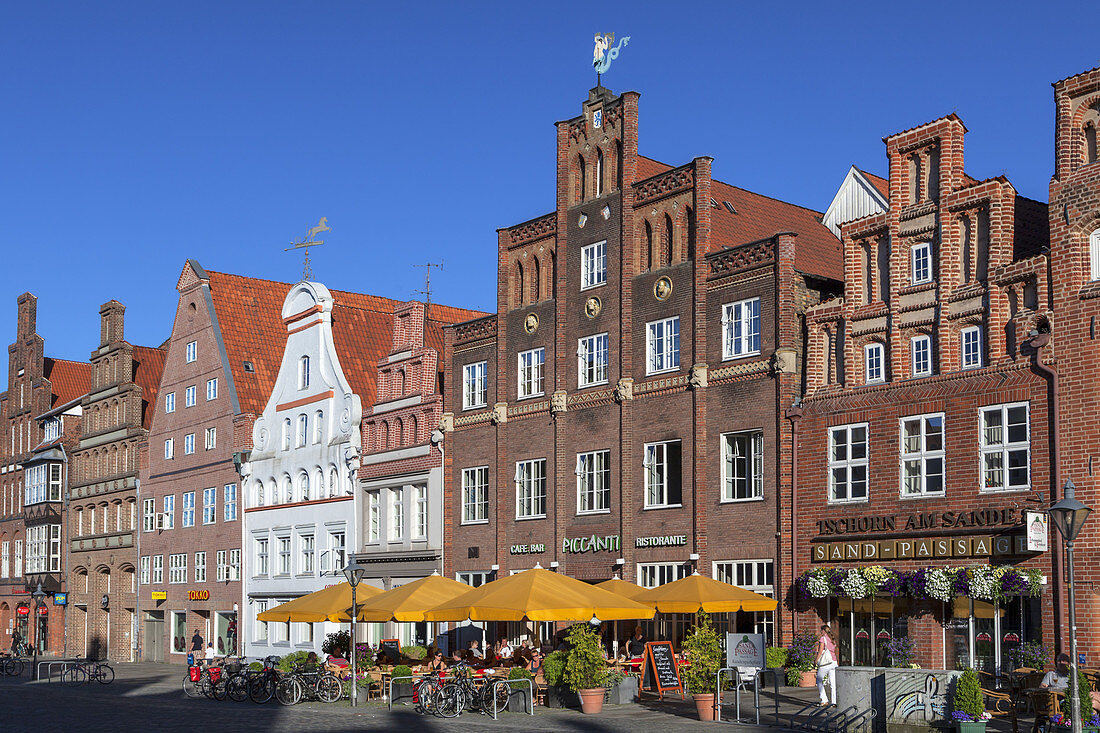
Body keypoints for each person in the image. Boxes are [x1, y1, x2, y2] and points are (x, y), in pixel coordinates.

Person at [815, 624, 838, 708]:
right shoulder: (832, 639)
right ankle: (834, 702)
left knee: (819, 680)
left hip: (826, 663)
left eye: (821, 630)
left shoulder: (823, 638)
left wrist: (816, 660)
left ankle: (824, 700)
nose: (820, 632)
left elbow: (820, 651)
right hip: (834, 662)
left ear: (824, 631)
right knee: (833, 683)